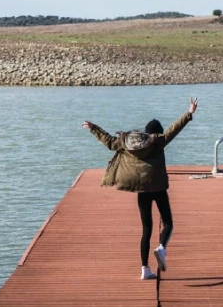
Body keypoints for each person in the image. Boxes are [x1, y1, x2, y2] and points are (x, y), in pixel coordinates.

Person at [83, 96, 198, 280]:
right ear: (156, 133)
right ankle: (161, 248)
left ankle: (145, 269)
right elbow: (174, 129)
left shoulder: (128, 142)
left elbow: (110, 142)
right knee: (168, 223)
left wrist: (94, 128)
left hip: (141, 189)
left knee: (146, 229)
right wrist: (189, 113)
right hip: (158, 187)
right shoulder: (159, 141)